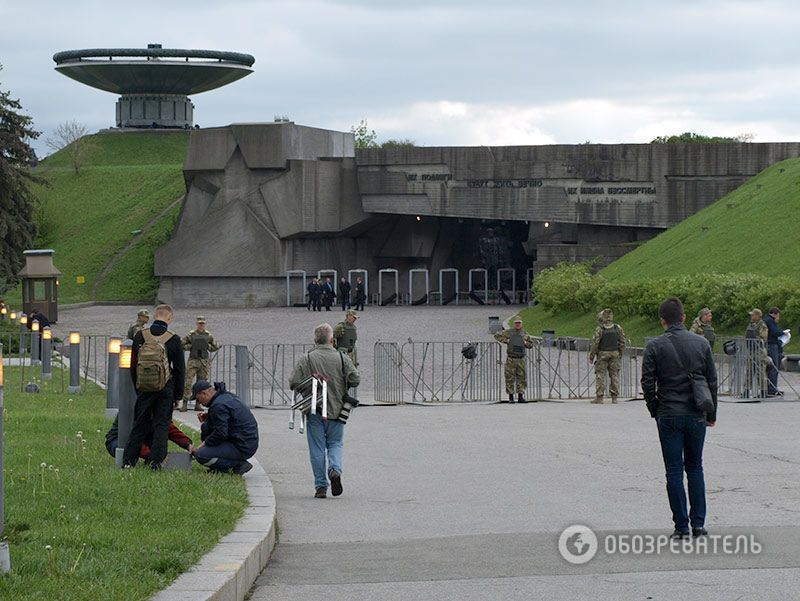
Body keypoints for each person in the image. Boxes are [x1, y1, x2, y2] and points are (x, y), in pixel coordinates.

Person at [641, 297, 717, 539]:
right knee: (695, 468)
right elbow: (711, 381)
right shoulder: (701, 343)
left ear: (662, 321)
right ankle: (698, 524)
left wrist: (656, 409)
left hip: (669, 414)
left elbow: (647, 382)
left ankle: (681, 527)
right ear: (684, 318)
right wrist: (711, 413)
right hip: (696, 413)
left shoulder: (654, 346)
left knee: (673, 471)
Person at [289, 323, 360, 498]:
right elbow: (355, 378)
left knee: (317, 448)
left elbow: (293, 382)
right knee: (335, 444)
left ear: (315, 340)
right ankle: (335, 469)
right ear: (332, 340)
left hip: (314, 409)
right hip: (337, 409)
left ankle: (320, 486)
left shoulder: (307, 358)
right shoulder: (342, 358)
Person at [123, 304, 185, 470]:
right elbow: (179, 370)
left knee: (139, 425)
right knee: (162, 425)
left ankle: (128, 461)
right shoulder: (173, 338)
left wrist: (139, 388)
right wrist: (177, 396)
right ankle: (155, 463)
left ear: (154, 316)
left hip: (144, 388)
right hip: (165, 389)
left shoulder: (140, 336)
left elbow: (133, 366)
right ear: (169, 318)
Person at [190, 380, 259, 475]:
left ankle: (238, 464)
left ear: (204, 393)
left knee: (201, 455)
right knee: (206, 427)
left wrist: (203, 444)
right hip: (247, 441)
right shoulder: (225, 397)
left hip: (242, 445)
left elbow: (221, 433)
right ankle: (223, 464)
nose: (199, 403)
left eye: (198, 399)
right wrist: (209, 418)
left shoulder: (218, 405)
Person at [105, 414, 193, 460]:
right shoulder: (133, 407)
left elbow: (170, 430)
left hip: (144, 438)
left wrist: (187, 444)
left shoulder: (160, 409)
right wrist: (150, 455)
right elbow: (131, 439)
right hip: (119, 440)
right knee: (126, 448)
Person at [181, 316, 220, 411]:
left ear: (205, 324)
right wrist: (191, 346)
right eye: (199, 323)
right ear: (197, 324)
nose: (201, 325)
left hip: (203, 361)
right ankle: (185, 403)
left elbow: (216, 346)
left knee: (201, 384)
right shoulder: (191, 335)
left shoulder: (208, 335)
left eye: (202, 323)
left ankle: (198, 404)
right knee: (188, 382)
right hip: (193, 360)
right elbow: (182, 344)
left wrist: (207, 346)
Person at [588, 308, 626, 404]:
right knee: (614, 375)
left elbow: (595, 344)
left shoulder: (600, 329)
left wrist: (591, 356)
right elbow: (622, 342)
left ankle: (600, 397)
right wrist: (620, 353)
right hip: (615, 354)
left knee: (600, 375)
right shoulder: (618, 328)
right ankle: (614, 397)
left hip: (602, 354)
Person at [494, 318, 535, 403]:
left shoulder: (525, 333)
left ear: (522, 324)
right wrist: (506, 341)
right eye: (516, 323)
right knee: (509, 377)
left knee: (522, 378)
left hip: (521, 359)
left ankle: (521, 396)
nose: (517, 324)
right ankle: (511, 397)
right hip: (511, 358)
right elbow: (497, 335)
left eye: (519, 323)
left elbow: (531, 345)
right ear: (514, 324)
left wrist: (525, 343)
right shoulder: (509, 332)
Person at [743, 308, 768, 398]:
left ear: (758, 315)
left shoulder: (762, 325)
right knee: (749, 371)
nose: (751, 316)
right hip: (751, 350)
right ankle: (746, 391)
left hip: (759, 351)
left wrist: (756, 338)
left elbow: (764, 337)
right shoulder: (751, 324)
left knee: (760, 371)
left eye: (753, 315)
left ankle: (763, 392)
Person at [764, 307, 784, 396]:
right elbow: (775, 332)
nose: (778, 318)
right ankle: (772, 389)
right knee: (774, 367)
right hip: (772, 345)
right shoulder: (770, 321)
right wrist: (784, 333)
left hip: (771, 345)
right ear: (775, 314)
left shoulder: (767, 320)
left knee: (771, 368)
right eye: (778, 316)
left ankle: (771, 387)